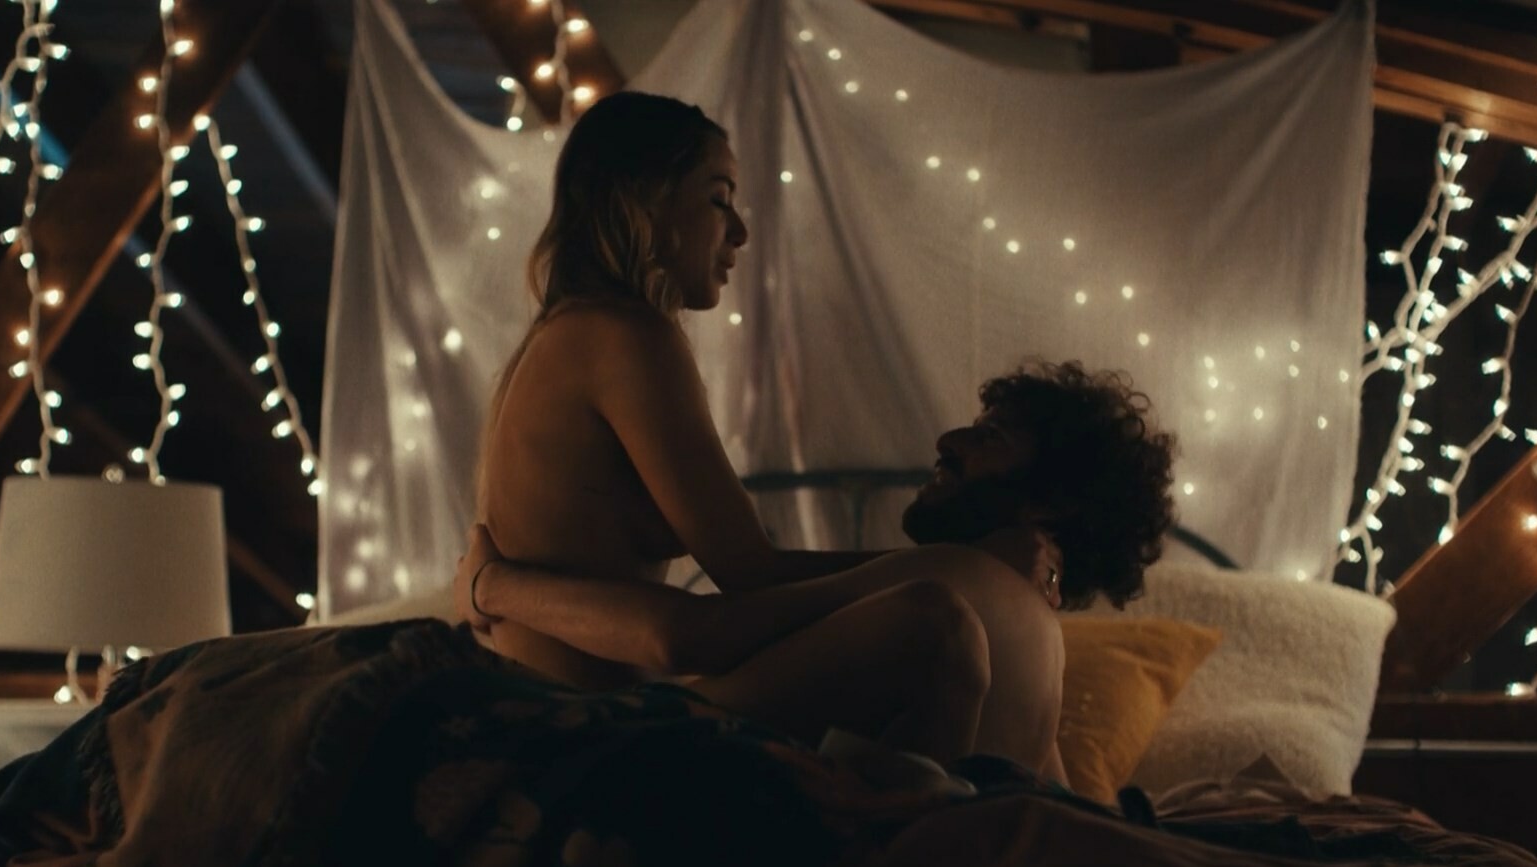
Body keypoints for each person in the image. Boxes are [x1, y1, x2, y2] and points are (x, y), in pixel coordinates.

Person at [478, 90, 1061, 771]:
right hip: (582, 726)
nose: (740, 233)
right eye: (718, 199)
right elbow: (750, 574)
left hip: (593, 703)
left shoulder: (576, 334)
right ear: (645, 201)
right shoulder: (621, 336)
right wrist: (970, 565)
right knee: (931, 629)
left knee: (919, 647)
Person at [465, 362, 1179, 782]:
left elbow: (686, 635)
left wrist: (492, 586)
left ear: (1050, 503)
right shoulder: (1042, 655)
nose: (949, 439)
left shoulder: (949, 590)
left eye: (989, 437)